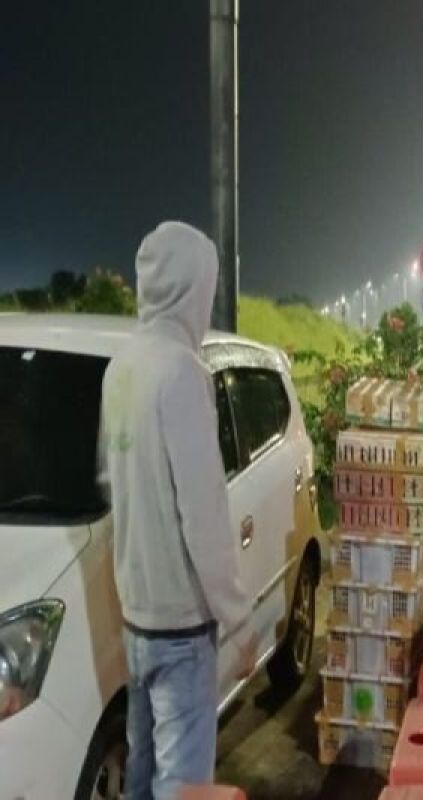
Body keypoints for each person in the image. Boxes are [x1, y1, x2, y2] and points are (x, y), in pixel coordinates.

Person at [98, 221, 255, 799]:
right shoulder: (181, 372)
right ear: (191, 288)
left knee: (141, 780)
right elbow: (204, 512)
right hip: (183, 628)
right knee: (185, 788)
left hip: (137, 619)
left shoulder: (121, 369)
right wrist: (239, 621)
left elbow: (111, 481)